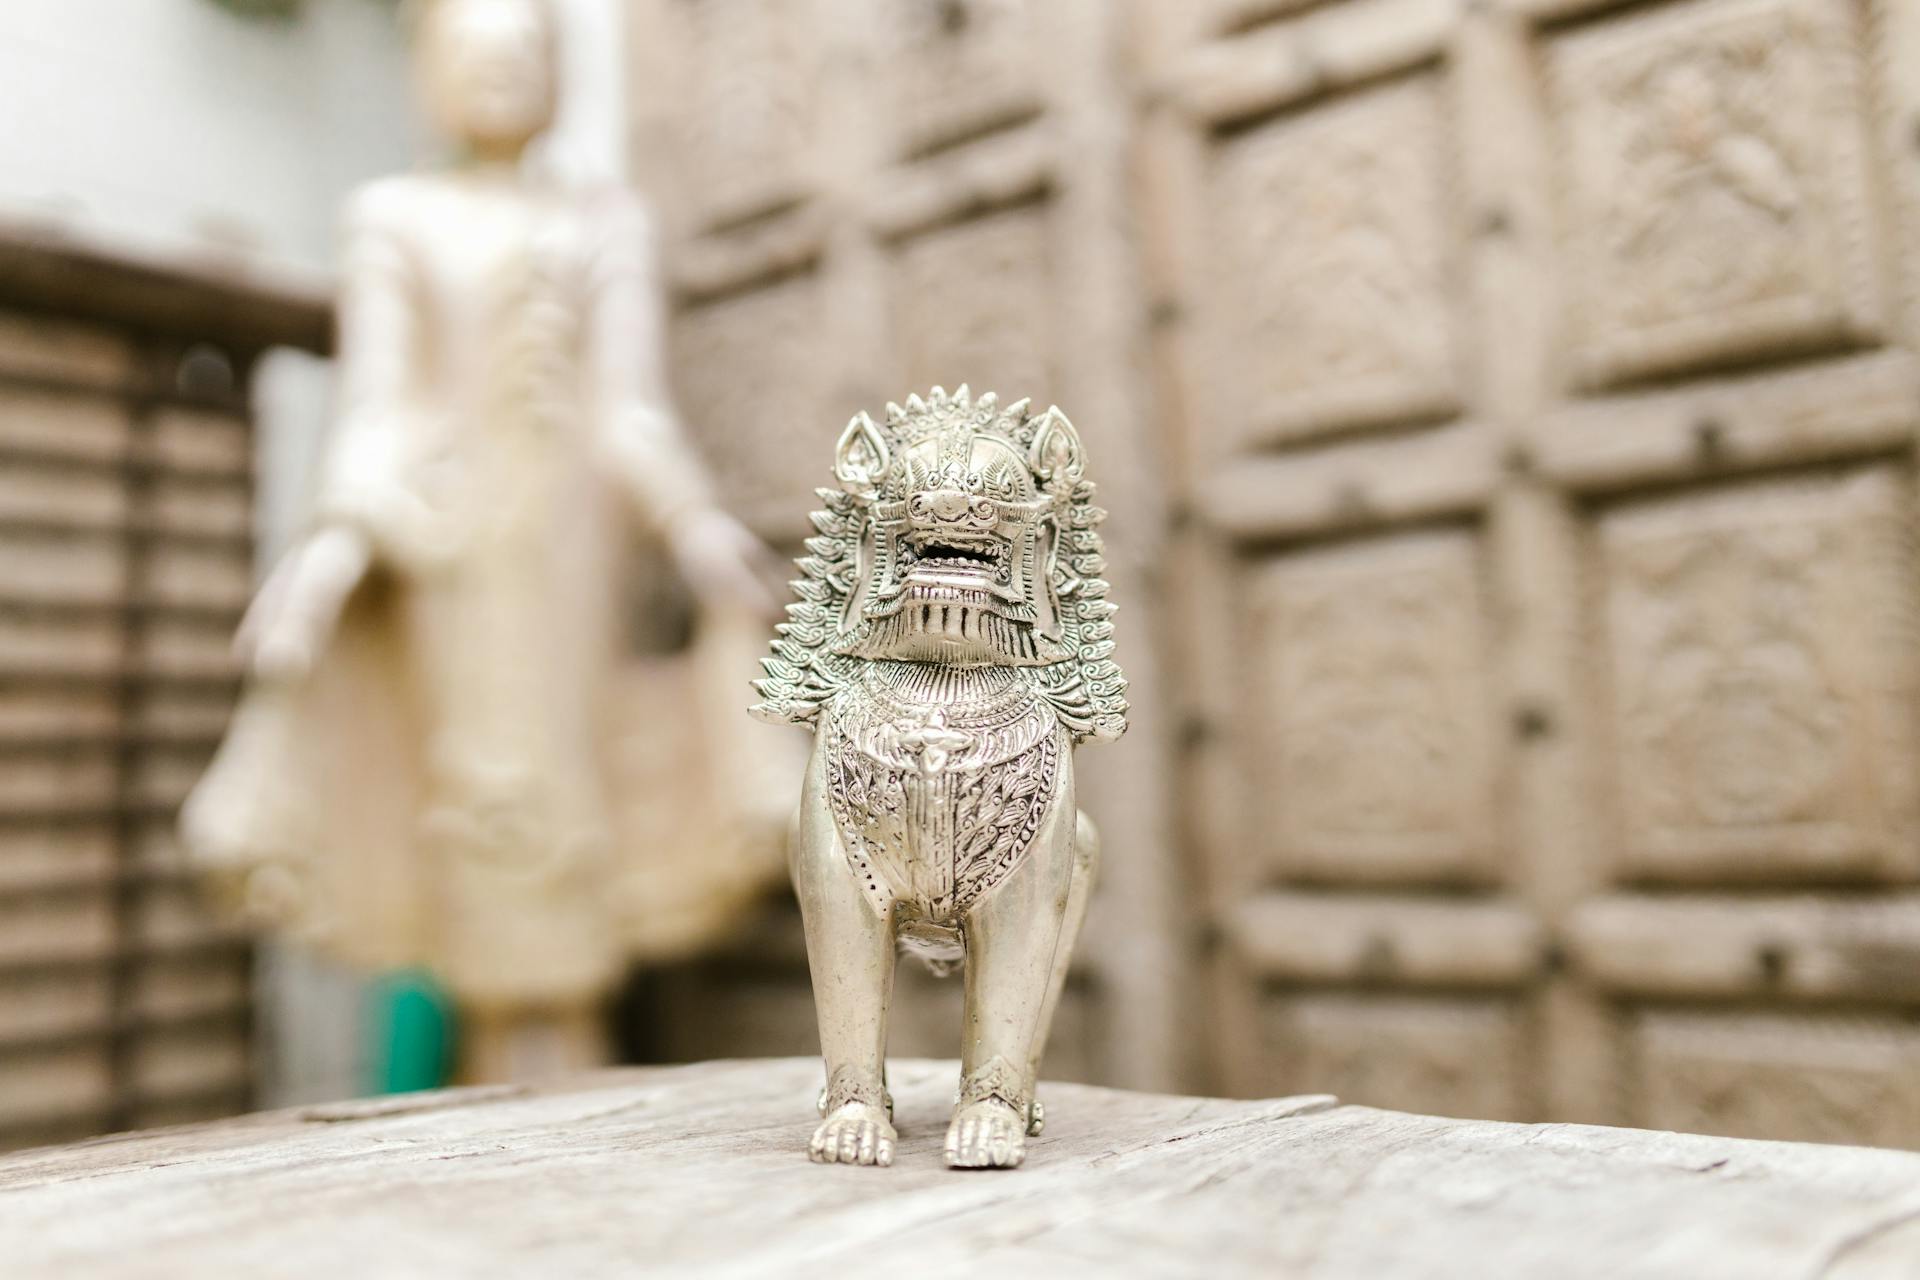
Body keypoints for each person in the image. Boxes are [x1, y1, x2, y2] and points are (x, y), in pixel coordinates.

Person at [185, 0, 773, 1081]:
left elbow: (626, 410)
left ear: (560, 75)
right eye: (470, 48)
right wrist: (325, 557)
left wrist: (692, 523)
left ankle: (570, 1048)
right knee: (475, 780)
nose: (495, 69)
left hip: (573, 556)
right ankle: (500, 1056)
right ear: (428, 71)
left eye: (522, 50)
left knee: (570, 777)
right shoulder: (393, 214)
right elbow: (380, 410)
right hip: (444, 545)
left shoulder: (605, 220)